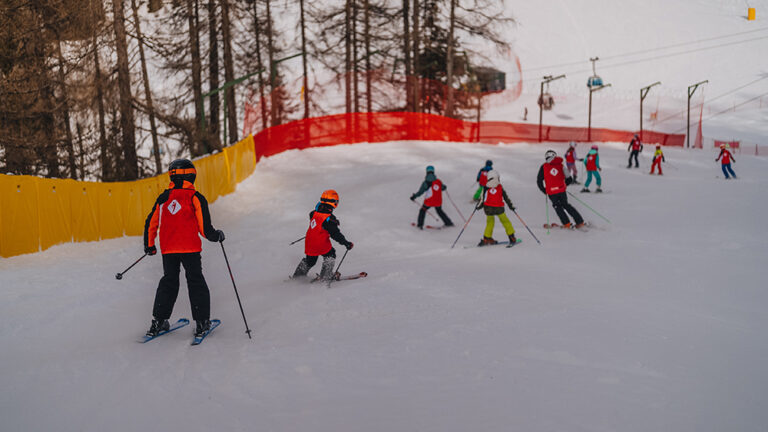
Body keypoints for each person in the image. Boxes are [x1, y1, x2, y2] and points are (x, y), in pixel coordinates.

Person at [143, 159, 225, 338]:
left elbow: (151, 222)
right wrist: (216, 235)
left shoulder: (164, 198)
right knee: (195, 281)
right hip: (190, 249)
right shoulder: (195, 197)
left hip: (168, 250)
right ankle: (202, 322)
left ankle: (159, 320)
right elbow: (204, 227)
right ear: (192, 175)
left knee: (169, 282)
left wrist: (149, 244)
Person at [292, 190, 353, 281]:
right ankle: (325, 276)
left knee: (310, 260)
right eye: (336, 201)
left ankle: (297, 276)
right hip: (320, 243)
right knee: (330, 254)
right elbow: (335, 234)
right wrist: (346, 243)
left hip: (309, 241)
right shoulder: (329, 219)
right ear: (333, 203)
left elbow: (317, 222)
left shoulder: (313, 213)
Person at [537, 150, 585, 229]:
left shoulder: (544, 167)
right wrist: (564, 186)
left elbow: (539, 181)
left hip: (551, 192)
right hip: (561, 191)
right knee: (566, 205)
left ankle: (566, 224)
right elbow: (569, 179)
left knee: (557, 206)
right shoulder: (561, 165)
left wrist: (544, 190)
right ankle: (580, 221)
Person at [476, 170, 517, 246]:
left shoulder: (485, 187)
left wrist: (478, 207)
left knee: (490, 223)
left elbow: (482, 199)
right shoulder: (500, 187)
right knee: (505, 221)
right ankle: (511, 237)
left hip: (488, 209)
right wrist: (511, 206)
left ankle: (486, 238)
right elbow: (506, 197)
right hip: (499, 208)